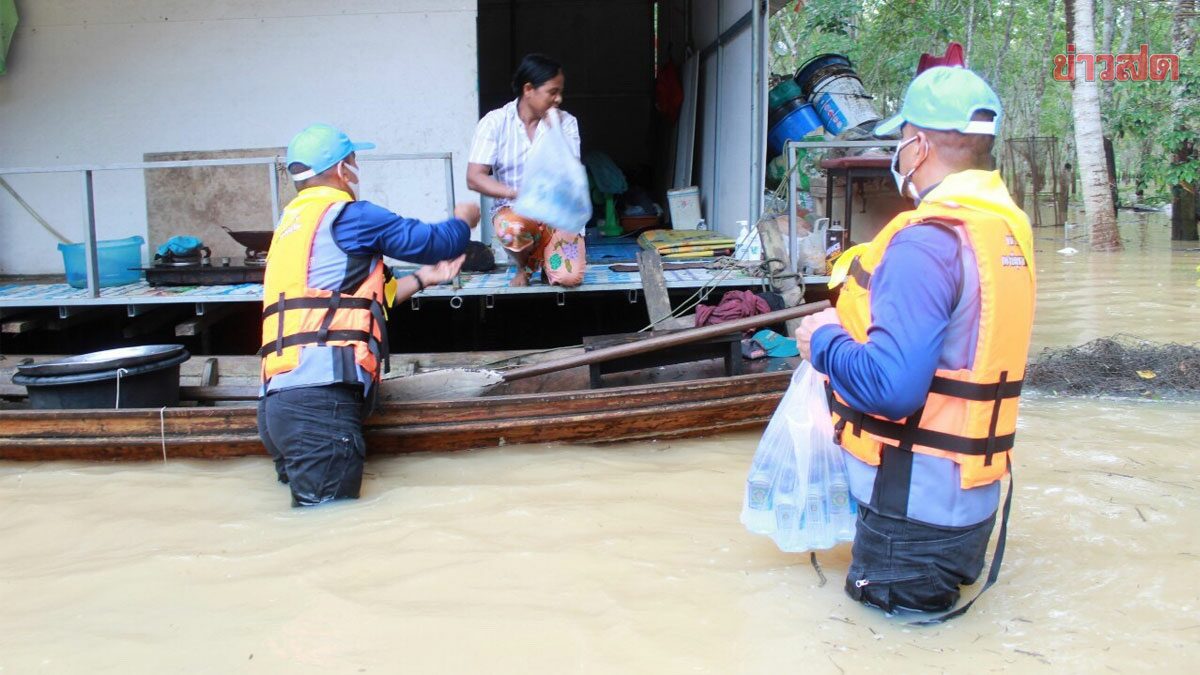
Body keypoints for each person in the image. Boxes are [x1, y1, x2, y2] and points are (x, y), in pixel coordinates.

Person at [795, 67, 1037, 618]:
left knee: (883, 644)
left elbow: (892, 387)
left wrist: (824, 341)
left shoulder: (925, 242)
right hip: (969, 505)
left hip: (911, 516)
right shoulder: (1004, 230)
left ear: (920, 143)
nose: (898, 152)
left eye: (901, 139)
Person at [257, 123, 480, 507]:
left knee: (312, 526)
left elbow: (366, 300)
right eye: (354, 163)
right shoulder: (350, 216)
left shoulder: (292, 226)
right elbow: (433, 242)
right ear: (343, 169)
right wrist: (463, 220)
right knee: (330, 525)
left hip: (277, 406)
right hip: (319, 403)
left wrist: (425, 278)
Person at [467, 53, 586, 287]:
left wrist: (556, 136)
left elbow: (569, 176)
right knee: (512, 228)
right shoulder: (495, 123)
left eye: (561, 92)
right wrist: (515, 194)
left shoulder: (566, 123)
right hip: (516, 210)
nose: (559, 99)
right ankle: (525, 266)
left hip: (559, 213)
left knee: (567, 278)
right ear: (529, 89)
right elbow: (474, 178)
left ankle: (538, 263)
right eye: (553, 92)